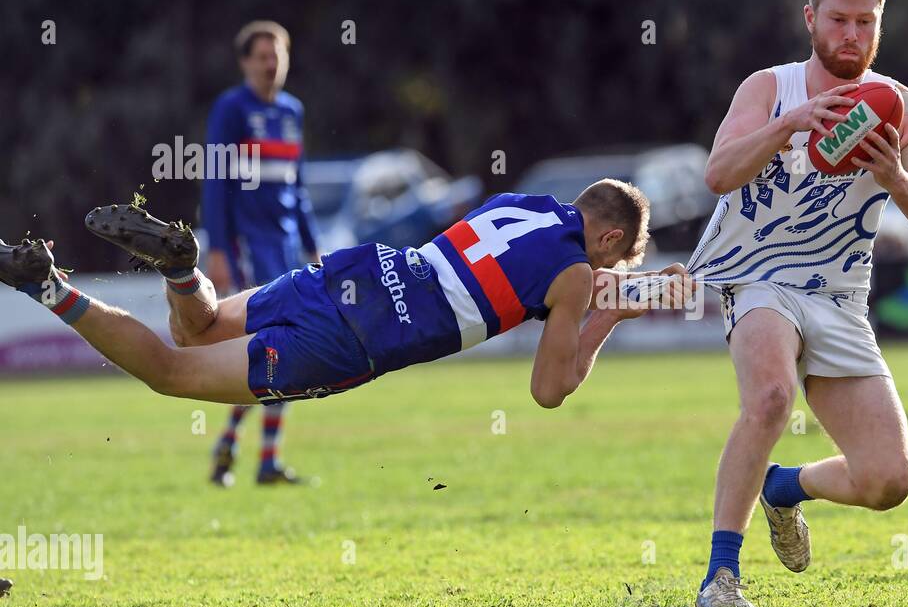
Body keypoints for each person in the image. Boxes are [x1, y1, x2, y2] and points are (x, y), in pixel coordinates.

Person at [686, 0, 908, 607]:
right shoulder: (768, 88)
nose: (853, 35)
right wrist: (788, 126)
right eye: (839, 19)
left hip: (837, 296)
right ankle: (722, 577)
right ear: (811, 18)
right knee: (772, 397)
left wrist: (896, 178)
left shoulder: (902, 108)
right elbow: (717, 174)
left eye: (867, 22)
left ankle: (783, 487)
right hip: (756, 278)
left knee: (889, 480)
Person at [0, 181, 692, 414]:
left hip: (352, 273)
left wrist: (615, 290)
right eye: (617, 258)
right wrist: (613, 312)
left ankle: (182, 269)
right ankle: (48, 286)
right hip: (355, 340)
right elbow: (549, 390)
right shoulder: (575, 276)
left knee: (195, 328)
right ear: (606, 239)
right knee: (171, 373)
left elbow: (508, 278)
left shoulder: (523, 204)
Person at [202, 21, 322, 484]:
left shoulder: (293, 111)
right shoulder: (231, 109)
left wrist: (313, 247)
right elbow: (216, 182)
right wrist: (218, 249)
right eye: (262, 56)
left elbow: (299, 186)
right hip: (250, 247)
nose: (272, 64)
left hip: (288, 247)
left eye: (279, 55)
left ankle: (241, 449)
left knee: (282, 353)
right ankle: (256, 456)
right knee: (277, 350)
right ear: (245, 63)